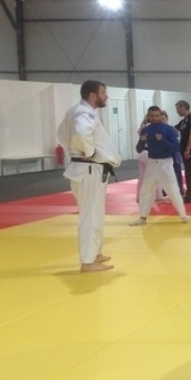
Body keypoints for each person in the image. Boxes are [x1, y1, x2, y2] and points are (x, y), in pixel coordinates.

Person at [57, 79, 122, 273]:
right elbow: (79, 133)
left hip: (89, 169)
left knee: (96, 213)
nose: (106, 96)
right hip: (89, 169)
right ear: (93, 95)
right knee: (90, 216)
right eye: (103, 92)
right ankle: (87, 262)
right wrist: (88, 151)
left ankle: (95, 253)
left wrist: (74, 150)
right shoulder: (84, 112)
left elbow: (61, 134)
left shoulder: (75, 111)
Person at [130, 106, 190, 226]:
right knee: (145, 191)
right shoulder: (146, 130)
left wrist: (162, 140)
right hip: (152, 163)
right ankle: (143, 217)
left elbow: (176, 148)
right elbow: (139, 149)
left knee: (173, 190)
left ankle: (183, 215)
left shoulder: (169, 129)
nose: (155, 118)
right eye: (152, 116)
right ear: (148, 116)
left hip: (165, 163)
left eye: (157, 115)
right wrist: (142, 140)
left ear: (160, 116)